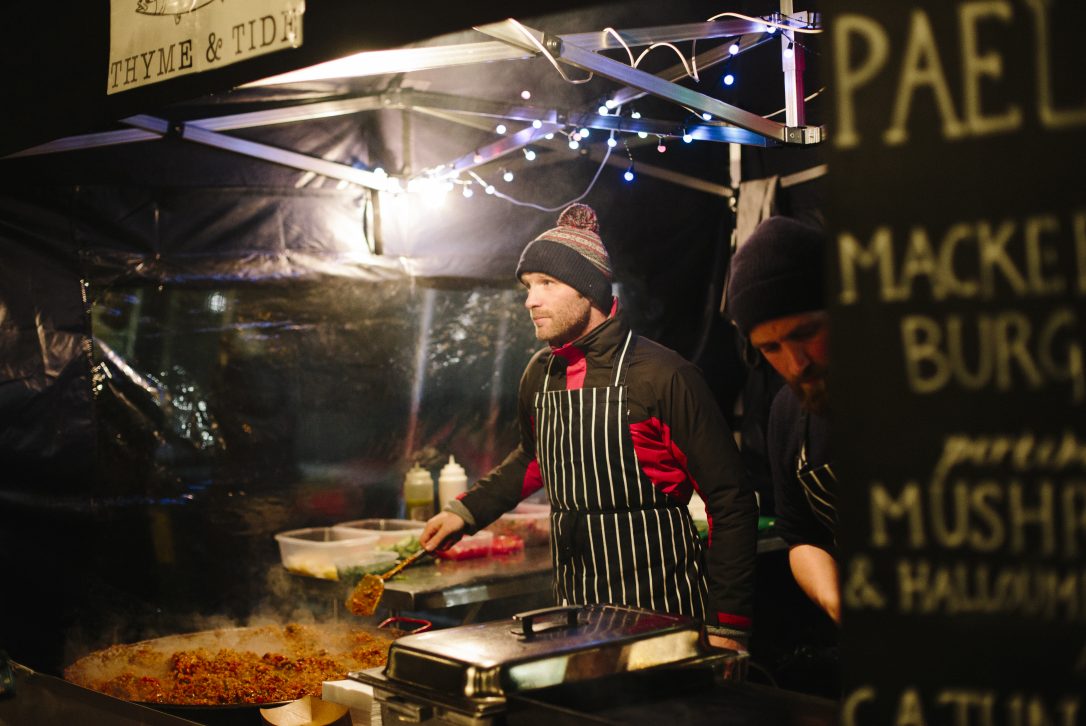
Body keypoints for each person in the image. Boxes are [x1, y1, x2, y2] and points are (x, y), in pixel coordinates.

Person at [421, 203, 758, 650]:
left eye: (547, 283)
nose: (530, 300)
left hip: (664, 614)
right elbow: (535, 459)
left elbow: (730, 501)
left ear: (588, 291)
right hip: (575, 615)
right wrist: (464, 512)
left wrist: (728, 625)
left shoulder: (662, 376)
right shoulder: (540, 374)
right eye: (527, 286)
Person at [725, 215, 839, 624]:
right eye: (771, 347)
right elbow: (802, 536)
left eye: (807, 332)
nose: (796, 364)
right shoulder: (787, 414)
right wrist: (836, 600)